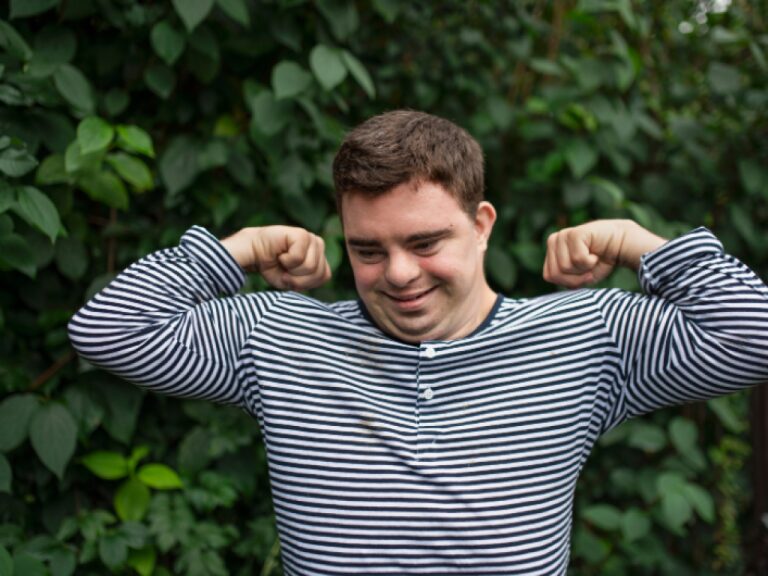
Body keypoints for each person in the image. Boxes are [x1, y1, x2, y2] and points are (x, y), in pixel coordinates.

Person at [68, 110, 768, 575]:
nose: (398, 274)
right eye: (366, 249)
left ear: (483, 223)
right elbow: (107, 330)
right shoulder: (279, 336)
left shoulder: (586, 336)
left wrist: (639, 244)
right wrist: (240, 250)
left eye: (426, 241)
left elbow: (755, 336)